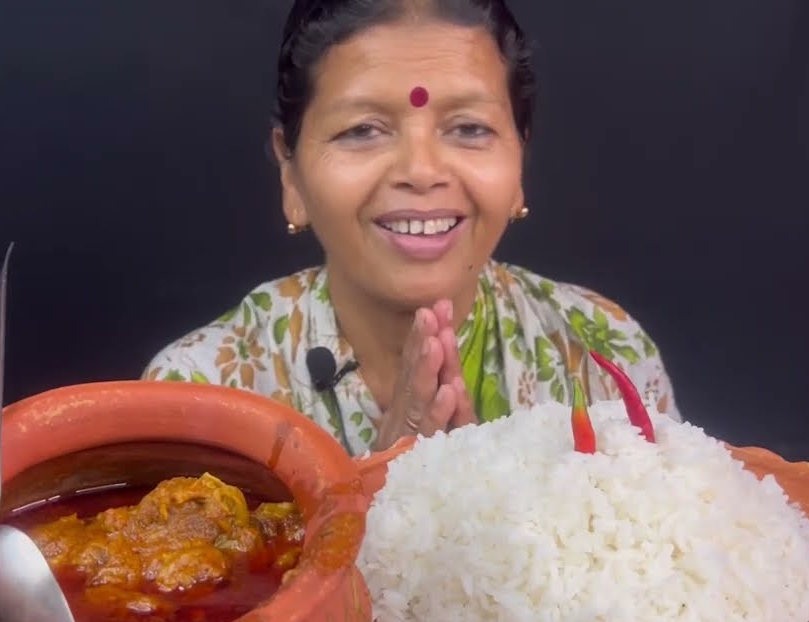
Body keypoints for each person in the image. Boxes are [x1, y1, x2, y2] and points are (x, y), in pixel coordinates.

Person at [144, 0, 680, 455]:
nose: (421, 171)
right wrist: (378, 494)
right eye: (362, 131)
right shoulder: (197, 396)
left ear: (520, 158)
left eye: (469, 128)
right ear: (291, 171)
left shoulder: (602, 353)